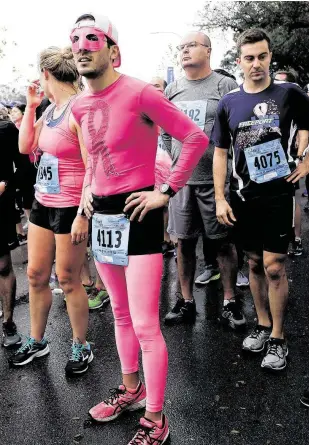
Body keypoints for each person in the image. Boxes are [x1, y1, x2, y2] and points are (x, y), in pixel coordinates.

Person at [69, 13, 208, 444]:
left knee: (146, 324)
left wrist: (165, 192)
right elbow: (93, 158)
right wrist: (88, 190)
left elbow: (195, 138)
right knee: (119, 313)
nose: (82, 46)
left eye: (93, 39)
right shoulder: (77, 105)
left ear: (113, 51)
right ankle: (131, 390)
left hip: (140, 212)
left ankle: (157, 418)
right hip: (104, 217)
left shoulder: (139, 92)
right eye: (75, 40)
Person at [213, 28, 309, 371]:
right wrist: (221, 199)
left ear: (270, 58)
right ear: (239, 62)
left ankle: (280, 338)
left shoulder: (289, 93)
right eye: (250, 58)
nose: (257, 64)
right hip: (242, 197)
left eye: (262, 56)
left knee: (274, 266)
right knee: (253, 263)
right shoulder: (229, 103)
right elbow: (220, 152)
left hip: (278, 196)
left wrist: (307, 158)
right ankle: (263, 325)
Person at [10, 47, 92, 377]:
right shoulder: (51, 108)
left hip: (71, 206)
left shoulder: (79, 109)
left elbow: (93, 166)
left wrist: (84, 214)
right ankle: (37, 339)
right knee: (35, 275)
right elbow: (26, 146)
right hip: (43, 203)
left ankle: (80, 343)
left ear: (46, 74)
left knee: (69, 278)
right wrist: (30, 106)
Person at [162, 31, 245, 329]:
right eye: (180, 47)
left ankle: (229, 301)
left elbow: (238, 132)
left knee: (222, 243)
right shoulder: (171, 89)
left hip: (215, 182)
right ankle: (186, 301)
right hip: (181, 183)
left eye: (191, 46)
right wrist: (169, 166)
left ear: (208, 51)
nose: (184, 51)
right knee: (183, 244)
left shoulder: (225, 86)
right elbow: (165, 131)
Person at [274, 70, 304, 256]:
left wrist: (302, 157)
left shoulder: (296, 102)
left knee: (291, 199)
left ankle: (296, 239)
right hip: (262, 162)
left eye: (281, 82)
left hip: (288, 159)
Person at [0, 105, 22, 348]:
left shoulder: (5, 129)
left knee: (3, 265)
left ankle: (8, 322)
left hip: (0, 205)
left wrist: (6, 184)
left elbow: (25, 166)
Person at [150, 76, 175, 256]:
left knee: (167, 205)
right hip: (150, 167)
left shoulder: (170, 111)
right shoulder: (144, 110)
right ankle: (156, 239)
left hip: (168, 166)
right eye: (151, 86)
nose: (154, 89)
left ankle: (168, 239)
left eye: (157, 86)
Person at [11, 103, 37, 232]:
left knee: (31, 192)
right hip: (20, 166)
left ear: (23, 112)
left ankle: (34, 221)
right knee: (24, 194)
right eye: (12, 112)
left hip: (31, 163)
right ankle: (29, 220)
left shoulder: (28, 126)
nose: (12, 114)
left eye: (16, 111)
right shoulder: (12, 128)